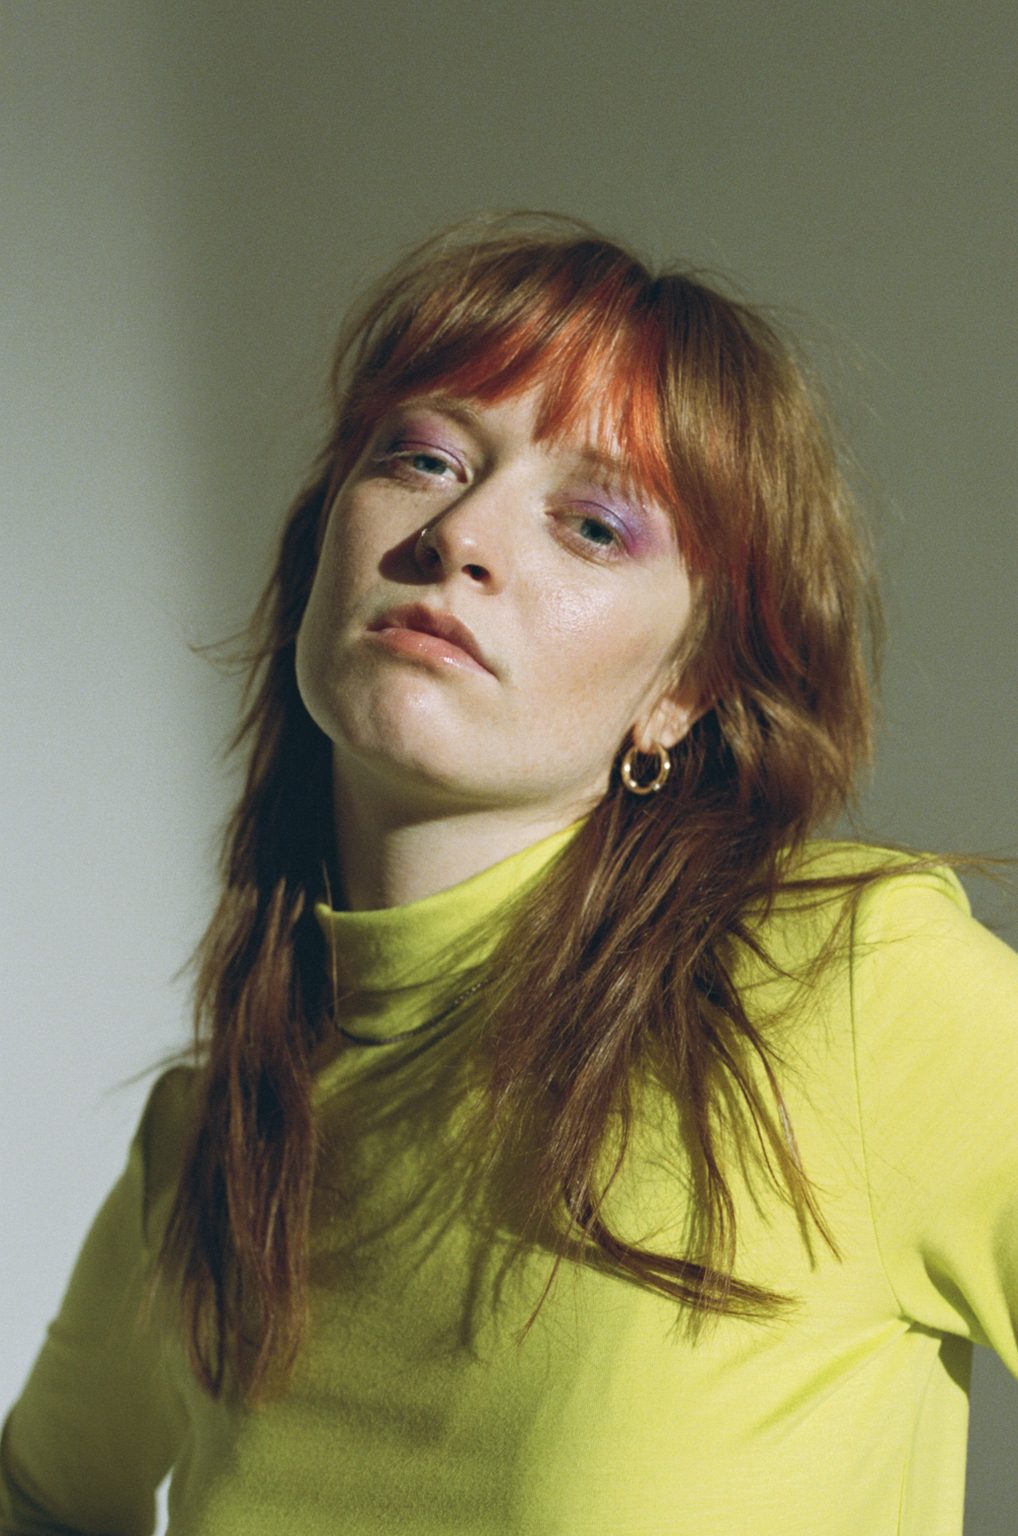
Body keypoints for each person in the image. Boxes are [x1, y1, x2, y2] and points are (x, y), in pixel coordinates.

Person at [2, 212, 1016, 1536]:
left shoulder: (853, 993)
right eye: (422, 458)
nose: (462, 532)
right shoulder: (212, 1140)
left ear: (684, 690)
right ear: (324, 546)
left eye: (593, 525)